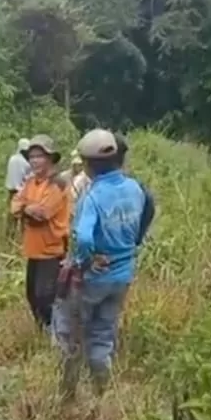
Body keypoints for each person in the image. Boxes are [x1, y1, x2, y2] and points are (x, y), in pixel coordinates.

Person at [52, 129, 152, 405]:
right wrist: (135, 242)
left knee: (70, 331)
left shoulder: (93, 196)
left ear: (88, 163)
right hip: (122, 274)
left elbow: (83, 236)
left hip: (92, 278)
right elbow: (148, 210)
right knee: (103, 336)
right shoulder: (135, 188)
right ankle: (102, 395)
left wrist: (87, 259)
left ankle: (67, 395)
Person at [10, 135, 70, 330]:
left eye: (39, 156)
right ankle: (43, 333)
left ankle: (57, 334)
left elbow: (43, 213)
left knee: (46, 297)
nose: (34, 160)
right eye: (32, 156)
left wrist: (24, 208)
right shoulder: (30, 182)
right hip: (33, 249)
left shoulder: (58, 183)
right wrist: (27, 208)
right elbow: (14, 205)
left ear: (50, 158)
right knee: (32, 295)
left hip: (52, 250)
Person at [5, 138, 31, 236]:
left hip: (11, 192)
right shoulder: (25, 163)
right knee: (24, 219)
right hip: (22, 193)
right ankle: (23, 239)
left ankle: (9, 238)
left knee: (11, 217)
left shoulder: (12, 159)